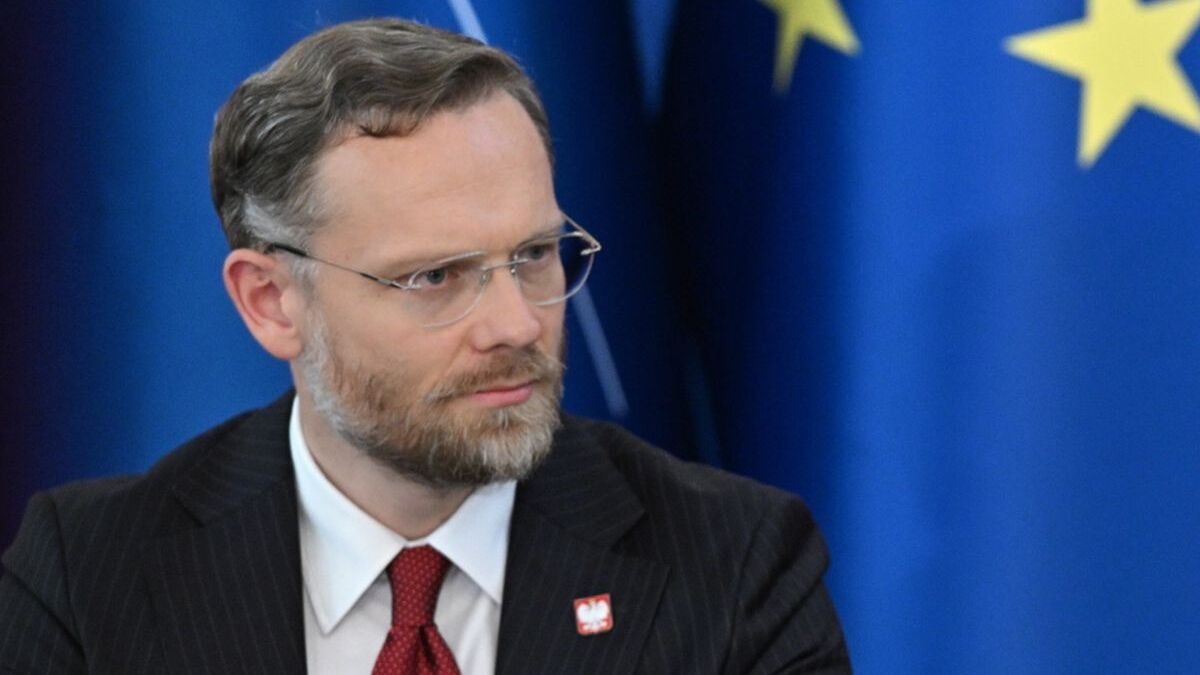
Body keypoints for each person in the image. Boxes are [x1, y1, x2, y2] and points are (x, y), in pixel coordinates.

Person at [0, 17, 850, 674]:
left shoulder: (737, 564)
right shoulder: (86, 576)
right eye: (435, 275)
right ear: (272, 302)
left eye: (533, 255)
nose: (517, 324)